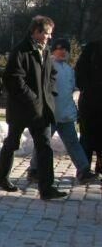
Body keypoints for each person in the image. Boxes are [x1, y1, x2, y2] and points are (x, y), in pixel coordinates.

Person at [0, 15, 67, 200]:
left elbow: (51, 74)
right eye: (47, 33)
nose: (49, 37)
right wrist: (33, 99)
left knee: (45, 147)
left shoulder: (45, 51)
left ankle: (47, 188)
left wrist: (49, 93)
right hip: (21, 109)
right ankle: (2, 177)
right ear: (36, 31)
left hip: (42, 110)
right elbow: (13, 80)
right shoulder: (20, 51)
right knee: (12, 143)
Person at [28, 38, 96, 184]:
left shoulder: (69, 70)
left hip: (65, 115)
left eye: (65, 49)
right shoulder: (47, 65)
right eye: (60, 49)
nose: (63, 52)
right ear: (54, 50)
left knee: (73, 144)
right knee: (43, 143)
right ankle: (34, 169)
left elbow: (72, 90)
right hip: (49, 114)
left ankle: (83, 170)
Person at [76, 36, 102, 176]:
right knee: (87, 137)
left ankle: (99, 166)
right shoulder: (92, 48)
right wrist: (86, 88)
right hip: (90, 101)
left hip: (91, 98)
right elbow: (80, 71)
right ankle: (84, 169)